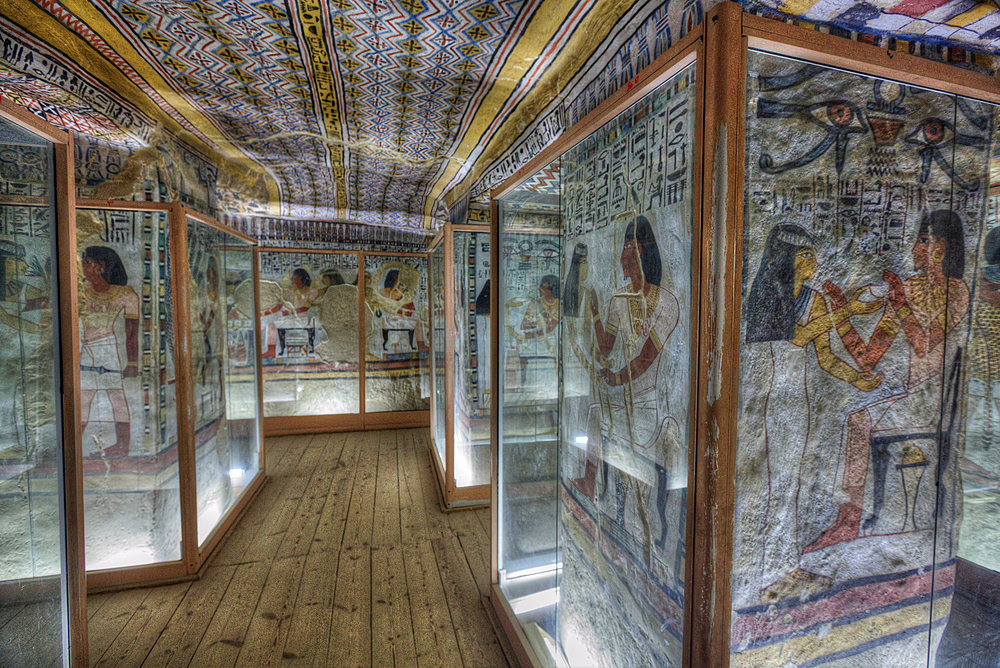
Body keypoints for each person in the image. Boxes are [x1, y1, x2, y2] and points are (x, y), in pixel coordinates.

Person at [806, 210, 969, 553]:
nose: (914, 248)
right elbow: (867, 357)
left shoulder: (958, 290)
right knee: (856, 415)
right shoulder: (907, 288)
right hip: (912, 393)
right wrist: (840, 311)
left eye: (922, 240)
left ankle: (849, 522)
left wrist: (900, 303)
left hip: (937, 398)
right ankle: (847, 521)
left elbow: (925, 343)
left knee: (859, 418)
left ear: (942, 247)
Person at [743, 223, 884, 602]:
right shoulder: (765, 298)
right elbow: (796, 336)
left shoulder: (815, 300)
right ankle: (768, 572)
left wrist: (859, 379)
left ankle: (787, 565)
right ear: (786, 261)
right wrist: (848, 311)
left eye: (813, 255)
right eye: (806, 257)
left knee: (794, 486)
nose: (814, 263)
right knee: (773, 487)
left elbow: (825, 356)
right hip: (767, 403)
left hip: (798, 405)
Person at [585, 216, 681, 569]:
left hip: (647, 402)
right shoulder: (618, 300)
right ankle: (604, 500)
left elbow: (644, 358)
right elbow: (607, 347)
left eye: (629, 248)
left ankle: (654, 534)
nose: (623, 256)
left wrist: (614, 380)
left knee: (643, 469)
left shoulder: (667, 302)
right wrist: (595, 314)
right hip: (620, 396)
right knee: (598, 417)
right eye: (624, 247)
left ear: (643, 253)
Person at [79, 245, 139, 457]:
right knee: (83, 398)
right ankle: (73, 444)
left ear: (100, 266)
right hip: (85, 348)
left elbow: (131, 332)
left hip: (106, 347)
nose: (82, 267)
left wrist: (132, 363)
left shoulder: (125, 294)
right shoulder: (81, 290)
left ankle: (122, 446)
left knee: (116, 397)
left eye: (86, 263)